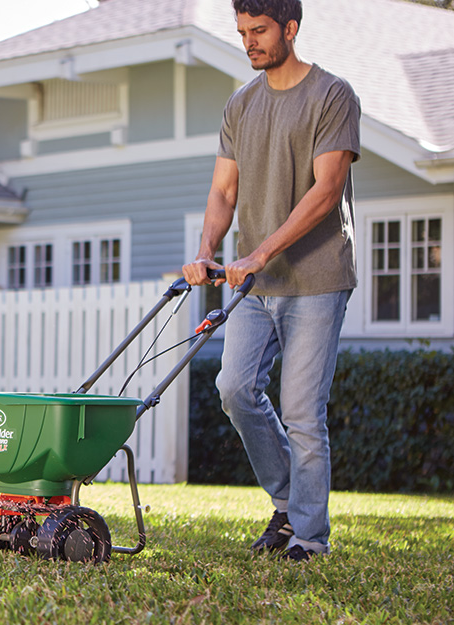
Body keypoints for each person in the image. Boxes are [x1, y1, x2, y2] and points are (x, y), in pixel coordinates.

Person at [182, 0, 360, 562]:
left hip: (317, 277)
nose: (249, 42)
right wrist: (206, 251)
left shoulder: (332, 95)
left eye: (259, 31)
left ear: (290, 28)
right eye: (242, 32)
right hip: (253, 285)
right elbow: (223, 192)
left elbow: (326, 190)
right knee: (234, 391)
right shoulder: (240, 105)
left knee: (303, 411)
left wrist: (260, 250)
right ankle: (289, 504)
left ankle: (309, 538)